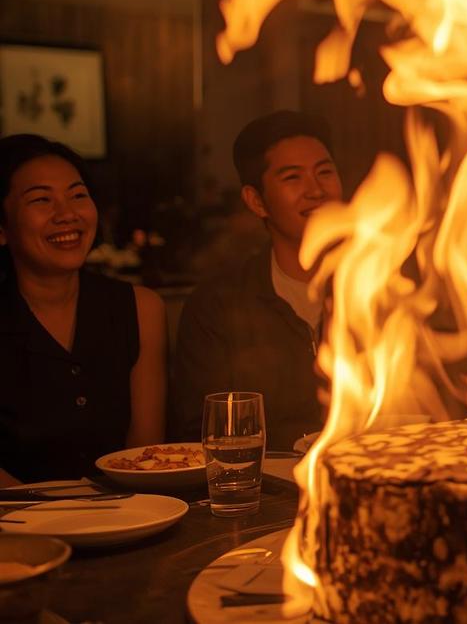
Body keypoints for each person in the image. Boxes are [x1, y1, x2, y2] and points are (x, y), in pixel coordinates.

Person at [0, 134, 166, 484]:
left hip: (131, 510)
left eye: (78, 195)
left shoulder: (140, 309)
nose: (67, 214)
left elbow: (146, 456)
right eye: (41, 199)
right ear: (3, 228)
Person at [170, 111, 342, 450]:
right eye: (293, 177)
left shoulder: (381, 288)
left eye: (324, 172)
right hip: (264, 479)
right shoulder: (218, 305)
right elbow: (203, 432)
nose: (316, 190)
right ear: (256, 201)